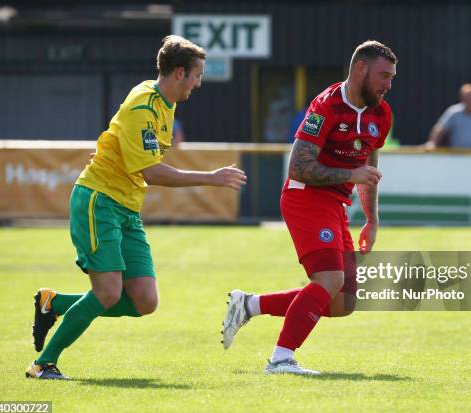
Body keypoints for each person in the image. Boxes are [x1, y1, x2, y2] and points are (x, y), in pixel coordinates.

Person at [26, 35, 247, 380]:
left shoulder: (166, 102)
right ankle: (43, 364)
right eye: (197, 75)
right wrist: (211, 177)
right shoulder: (143, 104)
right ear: (179, 73)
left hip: (126, 207)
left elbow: (129, 147)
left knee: (145, 300)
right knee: (109, 292)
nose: (199, 83)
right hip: (99, 201)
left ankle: (52, 303)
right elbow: (152, 171)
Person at [222, 40, 396, 375]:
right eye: (383, 76)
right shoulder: (326, 106)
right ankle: (281, 359)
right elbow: (298, 168)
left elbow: (368, 172)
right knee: (329, 277)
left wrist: (372, 220)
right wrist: (351, 173)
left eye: (391, 77)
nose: (388, 84)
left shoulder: (381, 114)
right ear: (360, 69)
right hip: (305, 196)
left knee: (342, 302)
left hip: (334, 203)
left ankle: (249, 304)